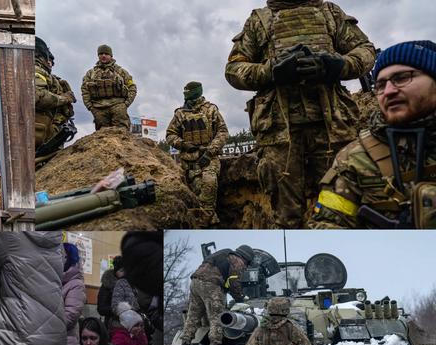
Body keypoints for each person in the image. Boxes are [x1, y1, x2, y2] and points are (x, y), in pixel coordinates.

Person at [225, 0, 375, 228]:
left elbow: (365, 50)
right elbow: (233, 69)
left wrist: (338, 65)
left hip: (333, 128)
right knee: (287, 218)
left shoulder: (329, 13)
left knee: (339, 211)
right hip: (279, 135)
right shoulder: (260, 20)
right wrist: (271, 71)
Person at [309, 40, 436, 229]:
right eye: (380, 85)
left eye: (402, 78)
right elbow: (327, 226)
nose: (389, 91)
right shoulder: (354, 159)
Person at [165, 81, 229, 225]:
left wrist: (210, 152)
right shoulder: (180, 114)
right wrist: (183, 144)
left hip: (209, 160)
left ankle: (206, 225)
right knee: (193, 199)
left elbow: (223, 132)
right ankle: (208, 224)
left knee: (208, 190)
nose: (186, 94)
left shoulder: (211, 110)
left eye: (188, 91)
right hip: (188, 164)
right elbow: (170, 135)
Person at [179, 245, 254, 345]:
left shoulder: (225, 253)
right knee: (217, 316)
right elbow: (234, 283)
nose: (245, 267)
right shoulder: (238, 261)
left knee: (193, 316)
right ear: (246, 258)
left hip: (195, 282)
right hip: (211, 285)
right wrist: (240, 298)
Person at [81, 44, 137, 130]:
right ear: (98, 55)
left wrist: (126, 104)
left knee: (121, 135)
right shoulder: (91, 73)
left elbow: (132, 87)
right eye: (101, 53)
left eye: (106, 54)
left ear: (111, 56)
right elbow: (85, 90)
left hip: (118, 106)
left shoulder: (121, 71)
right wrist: (90, 107)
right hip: (98, 108)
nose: (103, 56)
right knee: (101, 137)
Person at [35, 37, 76, 151]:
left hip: (50, 132)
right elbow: (38, 96)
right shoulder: (37, 70)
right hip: (40, 133)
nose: (50, 63)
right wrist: (64, 99)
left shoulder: (49, 76)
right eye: (49, 59)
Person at [62, 242, 87, 345]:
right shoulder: (57, 281)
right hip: (53, 340)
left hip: (67, 342)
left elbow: (70, 317)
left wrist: (47, 325)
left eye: (63, 256)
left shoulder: (76, 284)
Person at [96, 255, 123, 325]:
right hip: (112, 324)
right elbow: (101, 308)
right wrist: (119, 309)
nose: (125, 273)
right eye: (122, 270)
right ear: (116, 270)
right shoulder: (108, 283)